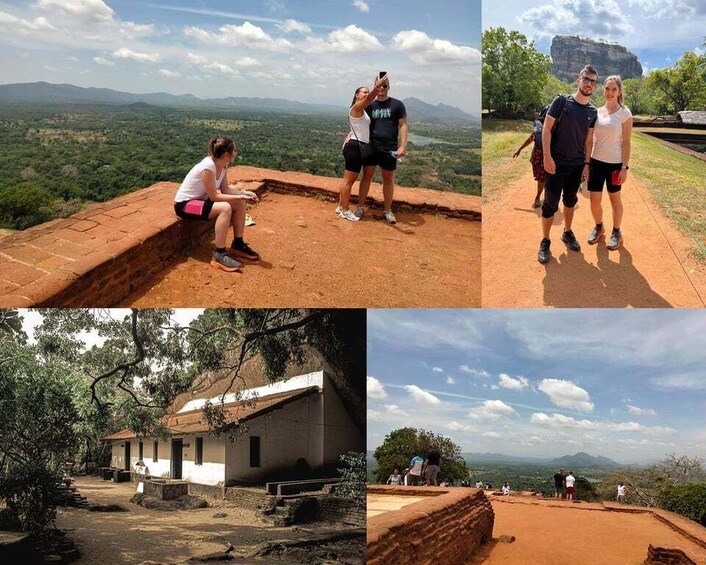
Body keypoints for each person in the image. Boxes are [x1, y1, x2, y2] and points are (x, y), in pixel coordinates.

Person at [537, 65, 599, 264]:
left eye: (593, 81)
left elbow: (588, 141)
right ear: (578, 80)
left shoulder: (592, 111)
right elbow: (546, 129)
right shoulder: (562, 102)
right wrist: (547, 157)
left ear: (595, 86)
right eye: (586, 79)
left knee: (570, 201)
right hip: (556, 163)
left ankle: (567, 232)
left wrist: (587, 164)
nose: (589, 84)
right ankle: (545, 241)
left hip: (576, 165)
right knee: (550, 204)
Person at [174, 137, 260, 272]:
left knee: (238, 202)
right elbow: (214, 196)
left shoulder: (222, 166)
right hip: (185, 204)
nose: (236, 153)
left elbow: (225, 189)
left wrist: (244, 194)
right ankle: (219, 254)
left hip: (200, 202)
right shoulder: (208, 167)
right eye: (234, 151)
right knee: (225, 208)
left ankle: (237, 244)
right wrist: (241, 195)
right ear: (227, 154)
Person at [586, 75, 633, 250]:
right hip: (596, 162)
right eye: (607, 88)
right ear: (603, 89)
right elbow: (589, 140)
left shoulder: (625, 113)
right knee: (594, 199)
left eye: (614, 89)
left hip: (614, 165)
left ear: (619, 91)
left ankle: (616, 231)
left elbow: (627, 142)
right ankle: (599, 227)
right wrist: (586, 164)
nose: (610, 92)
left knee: (615, 199)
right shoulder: (596, 112)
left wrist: (624, 167)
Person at [355, 73, 408, 224]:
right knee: (366, 177)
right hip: (371, 145)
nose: (382, 88)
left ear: (389, 87)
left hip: (389, 147)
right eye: (379, 85)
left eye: (385, 85)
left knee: (388, 179)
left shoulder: (397, 105)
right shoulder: (369, 105)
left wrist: (403, 145)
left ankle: (387, 210)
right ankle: (360, 207)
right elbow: (358, 120)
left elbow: (403, 125)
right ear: (375, 86)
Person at [337, 75, 390, 221]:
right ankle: (346, 210)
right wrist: (377, 87)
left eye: (368, 91)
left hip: (360, 145)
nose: (367, 94)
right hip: (355, 146)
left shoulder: (361, 110)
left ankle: (341, 206)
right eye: (364, 92)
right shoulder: (357, 106)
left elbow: (359, 126)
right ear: (356, 95)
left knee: (347, 180)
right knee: (349, 180)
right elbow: (369, 100)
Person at [513, 113, 547, 208]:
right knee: (541, 178)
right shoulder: (538, 131)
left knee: (544, 178)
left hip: (548, 158)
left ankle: (541, 196)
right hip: (538, 158)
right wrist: (519, 149)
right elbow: (530, 139)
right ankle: (538, 197)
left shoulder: (555, 130)